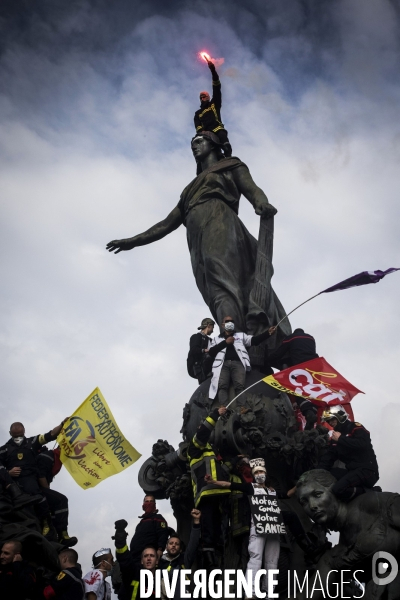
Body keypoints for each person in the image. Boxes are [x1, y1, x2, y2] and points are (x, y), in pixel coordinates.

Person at [106, 132, 291, 346]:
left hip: (220, 222)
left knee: (220, 278)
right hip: (195, 239)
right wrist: (133, 241)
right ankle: (232, 337)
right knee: (212, 288)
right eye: (192, 144)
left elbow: (252, 189)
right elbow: (166, 224)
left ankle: (236, 337)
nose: (194, 147)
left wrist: (261, 203)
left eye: (198, 142)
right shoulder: (189, 190)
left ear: (213, 144)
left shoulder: (230, 166)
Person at [296, 469, 400, 600]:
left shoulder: (379, 505)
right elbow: (305, 596)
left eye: (317, 494)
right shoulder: (333, 557)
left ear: (334, 491)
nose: (312, 506)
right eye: (304, 502)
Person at [208, 457, 295, 597]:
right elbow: (230, 485)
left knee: (272, 561)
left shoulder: (272, 491)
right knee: (256, 556)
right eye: (257, 472)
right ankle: (251, 591)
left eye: (261, 471)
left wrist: (300, 484)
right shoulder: (251, 487)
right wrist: (214, 482)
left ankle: (269, 592)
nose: (259, 474)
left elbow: (287, 494)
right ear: (254, 476)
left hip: (273, 528)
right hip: (258, 527)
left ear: (266, 474)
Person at [0, 418, 69, 538]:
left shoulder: (32, 442)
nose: (18, 437)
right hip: (14, 484)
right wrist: (8, 473)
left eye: (20, 435)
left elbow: (51, 434)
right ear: (10, 433)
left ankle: (50, 525)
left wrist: (62, 424)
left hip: (32, 481)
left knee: (46, 499)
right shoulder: (4, 449)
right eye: (15, 435)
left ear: (24, 431)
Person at [187, 405, 230, 567]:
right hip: (205, 495)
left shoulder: (213, 453)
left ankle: (220, 562)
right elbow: (203, 433)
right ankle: (210, 567)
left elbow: (223, 472)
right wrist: (214, 415)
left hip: (219, 495)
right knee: (208, 533)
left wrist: (236, 461)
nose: (203, 431)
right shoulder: (194, 449)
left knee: (220, 532)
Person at [207, 315, 274, 405]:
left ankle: (242, 407)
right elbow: (211, 352)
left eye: (232, 321)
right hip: (222, 365)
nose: (230, 323)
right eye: (227, 321)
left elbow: (254, 340)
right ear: (222, 325)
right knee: (222, 386)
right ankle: (223, 407)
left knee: (239, 386)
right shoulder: (216, 339)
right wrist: (225, 343)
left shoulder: (240, 335)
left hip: (238, 363)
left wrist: (267, 333)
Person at [317, 405, 379, 501]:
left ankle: (371, 491)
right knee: (326, 475)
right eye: (328, 421)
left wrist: (341, 439)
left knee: (338, 489)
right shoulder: (334, 439)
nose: (330, 423)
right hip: (352, 471)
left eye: (332, 419)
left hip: (367, 470)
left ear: (340, 416)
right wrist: (315, 473)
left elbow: (363, 444)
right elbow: (328, 458)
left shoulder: (355, 427)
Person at [268, 327, 319, 429]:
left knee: (298, 390)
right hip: (315, 366)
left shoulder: (291, 338)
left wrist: (267, 360)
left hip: (300, 367)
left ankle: (307, 411)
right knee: (311, 391)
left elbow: (279, 353)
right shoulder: (311, 338)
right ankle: (312, 413)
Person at [37, 446, 78, 547]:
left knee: (55, 503)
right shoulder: (48, 456)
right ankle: (62, 535)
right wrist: (49, 492)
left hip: (39, 487)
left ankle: (55, 531)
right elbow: (40, 476)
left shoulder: (57, 460)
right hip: (32, 488)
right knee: (61, 500)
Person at [159, 508, 201, 600]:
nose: (173, 545)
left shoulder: (184, 561)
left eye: (176, 544)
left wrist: (196, 522)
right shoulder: (159, 563)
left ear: (180, 549)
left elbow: (193, 544)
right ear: (166, 547)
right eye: (171, 543)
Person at [194, 59, 232, 157]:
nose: (203, 98)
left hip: (217, 129)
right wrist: (201, 132)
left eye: (205, 96)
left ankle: (228, 159)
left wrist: (212, 70)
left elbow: (216, 86)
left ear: (209, 97)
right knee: (197, 148)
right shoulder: (198, 113)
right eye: (201, 97)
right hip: (205, 134)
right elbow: (198, 125)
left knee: (226, 145)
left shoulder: (214, 104)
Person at [113, 520, 158, 600]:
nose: (148, 558)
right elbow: (124, 559)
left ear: (157, 561)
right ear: (141, 560)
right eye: (145, 556)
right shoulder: (132, 573)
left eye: (152, 556)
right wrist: (120, 538)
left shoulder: (162, 579)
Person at [129, 495, 168, 563]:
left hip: (148, 557)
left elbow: (163, 534)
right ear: (143, 505)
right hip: (135, 557)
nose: (149, 503)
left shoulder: (158, 518)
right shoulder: (141, 522)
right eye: (147, 501)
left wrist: (160, 549)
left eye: (151, 501)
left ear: (155, 505)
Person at [187, 317, 215, 383]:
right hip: (198, 366)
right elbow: (193, 350)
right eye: (212, 328)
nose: (212, 330)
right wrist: (204, 350)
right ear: (208, 325)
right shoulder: (196, 336)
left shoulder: (211, 340)